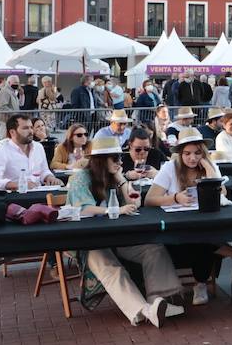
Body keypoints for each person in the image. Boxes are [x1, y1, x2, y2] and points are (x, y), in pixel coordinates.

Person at [66, 138, 185, 327]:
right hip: (87, 241)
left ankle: (161, 300)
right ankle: (143, 311)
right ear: (100, 160)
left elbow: (135, 204)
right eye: (115, 158)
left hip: (116, 236)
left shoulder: (113, 177)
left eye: (120, 157)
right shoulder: (81, 177)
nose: (120, 162)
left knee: (153, 249)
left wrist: (121, 180)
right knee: (111, 268)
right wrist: (113, 211)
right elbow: (84, 208)